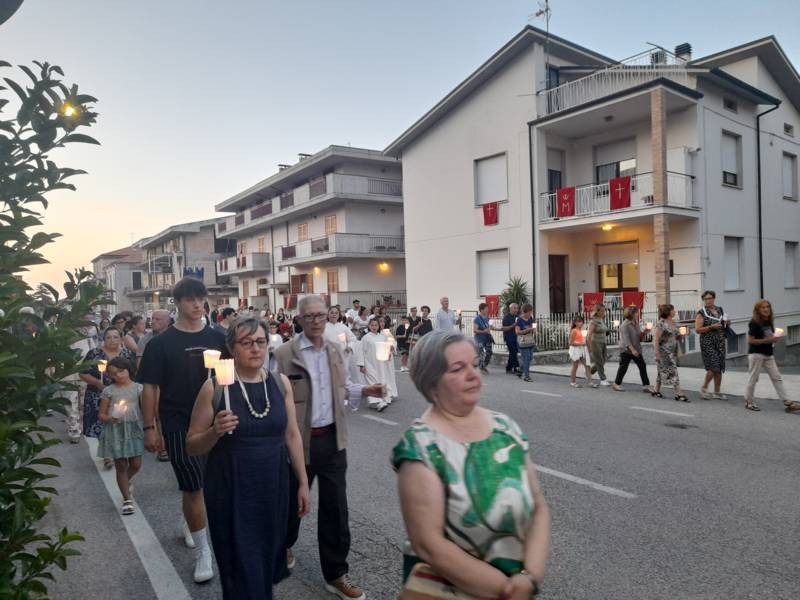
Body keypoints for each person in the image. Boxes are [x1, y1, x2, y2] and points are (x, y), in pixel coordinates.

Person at [392, 330, 550, 599]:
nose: (473, 375)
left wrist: (530, 577)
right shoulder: (421, 447)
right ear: (432, 383)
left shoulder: (505, 428)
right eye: (458, 369)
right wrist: (506, 589)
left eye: (475, 365)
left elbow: (538, 507)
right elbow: (429, 544)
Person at [187, 317, 311, 599]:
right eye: (246, 343)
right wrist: (215, 432)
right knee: (241, 565)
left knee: (265, 558)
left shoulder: (280, 383)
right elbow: (192, 445)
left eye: (260, 342)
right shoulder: (215, 387)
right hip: (231, 489)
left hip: (273, 486)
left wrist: (302, 483)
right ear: (232, 348)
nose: (255, 348)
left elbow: (292, 434)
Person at [274, 295, 385, 600]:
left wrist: (366, 390)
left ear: (327, 317)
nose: (315, 321)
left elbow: (342, 388)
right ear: (299, 319)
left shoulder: (335, 350)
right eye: (309, 316)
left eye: (320, 315)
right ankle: (284, 544)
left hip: (333, 440)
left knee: (336, 509)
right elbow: (273, 396)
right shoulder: (283, 355)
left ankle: (335, 574)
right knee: (292, 503)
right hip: (298, 442)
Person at [138, 277, 227, 583]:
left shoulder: (218, 337)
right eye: (190, 299)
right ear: (177, 303)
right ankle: (204, 552)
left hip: (215, 420)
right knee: (192, 485)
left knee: (211, 483)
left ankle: (191, 520)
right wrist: (150, 427)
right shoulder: (160, 343)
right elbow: (150, 387)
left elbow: (229, 377)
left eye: (201, 299)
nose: (197, 304)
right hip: (177, 422)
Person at [80, 327, 136, 468]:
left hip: (121, 396)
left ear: (121, 339)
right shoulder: (95, 354)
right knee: (103, 424)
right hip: (97, 395)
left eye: (115, 337)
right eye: (109, 337)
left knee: (120, 423)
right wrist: (97, 383)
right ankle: (108, 454)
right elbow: (83, 373)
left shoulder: (127, 354)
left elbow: (134, 373)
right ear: (103, 339)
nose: (112, 340)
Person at [97, 357, 144, 515]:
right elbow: (101, 414)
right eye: (114, 374)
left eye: (121, 371)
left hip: (134, 428)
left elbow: (145, 409)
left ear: (128, 369)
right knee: (121, 465)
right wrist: (111, 418)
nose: (118, 375)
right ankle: (126, 499)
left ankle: (125, 481)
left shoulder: (138, 388)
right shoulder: (108, 391)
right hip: (116, 430)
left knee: (136, 464)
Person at [744, 300, 800, 413]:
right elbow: (750, 341)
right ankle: (749, 402)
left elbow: (769, 337)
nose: (766, 309)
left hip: (768, 354)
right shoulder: (754, 323)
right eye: (763, 307)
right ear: (758, 310)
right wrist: (768, 340)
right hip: (756, 354)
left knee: (777, 377)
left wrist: (774, 338)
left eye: (767, 307)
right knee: (753, 379)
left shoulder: (768, 321)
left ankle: (787, 402)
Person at [136, 309, 172, 462]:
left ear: (168, 321)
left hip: (173, 381)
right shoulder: (145, 339)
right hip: (154, 382)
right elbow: (140, 363)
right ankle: (161, 446)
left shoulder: (175, 336)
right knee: (156, 412)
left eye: (158, 319)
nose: (153, 321)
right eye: (152, 318)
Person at [694, 291, 728, 399]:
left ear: (714, 298)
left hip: (720, 341)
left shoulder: (719, 309)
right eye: (705, 299)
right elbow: (698, 329)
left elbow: (723, 324)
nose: (708, 301)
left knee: (719, 366)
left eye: (709, 298)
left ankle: (717, 392)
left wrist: (727, 323)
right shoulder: (701, 313)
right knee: (714, 366)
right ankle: (704, 388)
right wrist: (711, 327)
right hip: (708, 342)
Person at [652, 304, 688, 402]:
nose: (674, 311)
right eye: (673, 310)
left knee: (661, 371)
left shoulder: (673, 322)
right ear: (668, 312)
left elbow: (675, 336)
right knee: (673, 371)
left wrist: (681, 335)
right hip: (664, 352)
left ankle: (656, 390)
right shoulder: (661, 323)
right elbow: (656, 339)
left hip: (672, 351)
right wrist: (657, 354)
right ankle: (679, 393)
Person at [613, 307, 653, 393]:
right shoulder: (625, 325)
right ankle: (616, 384)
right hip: (626, 349)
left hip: (636, 348)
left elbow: (638, 337)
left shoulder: (636, 323)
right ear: (631, 314)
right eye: (636, 313)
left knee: (642, 365)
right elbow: (626, 340)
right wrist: (633, 350)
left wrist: (645, 332)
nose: (638, 314)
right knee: (623, 367)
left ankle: (646, 386)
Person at [361, 318, 397, 411]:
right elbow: (361, 352)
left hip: (381, 364)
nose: (374, 327)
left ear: (378, 326)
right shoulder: (366, 338)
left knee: (381, 381)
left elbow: (387, 348)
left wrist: (389, 352)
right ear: (369, 326)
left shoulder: (382, 337)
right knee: (373, 381)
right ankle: (378, 402)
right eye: (372, 325)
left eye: (376, 325)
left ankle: (378, 401)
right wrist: (362, 365)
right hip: (369, 363)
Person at [587, 305, 611, 387]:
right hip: (595, 343)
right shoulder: (593, 321)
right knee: (599, 361)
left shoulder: (601, 319)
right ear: (597, 311)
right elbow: (589, 335)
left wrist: (608, 331)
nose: (604, 312)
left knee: (603, 360)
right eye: (602, 311)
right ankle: (603, 379)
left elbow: (604, 330)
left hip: (603, 342)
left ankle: (589, 372)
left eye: (604, 311)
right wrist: (589, 347)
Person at [568, 316, 595, 388]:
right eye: (579, 322)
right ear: (575, 323)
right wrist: (580, 344)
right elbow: (570, 342)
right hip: (575, 350)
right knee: (575, 366)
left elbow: (585, 340)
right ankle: (573, 382)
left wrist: (589, 348)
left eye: (581, 321)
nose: (581, 323)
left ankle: (590, 382)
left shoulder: (583, 330)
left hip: (583, 349)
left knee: (587, 365)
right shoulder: (574, 331)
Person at [472, 303, 498, 374]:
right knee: (481, 353)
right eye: (486, 309)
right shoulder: (477, 319)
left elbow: (490, 327)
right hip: (479, 339)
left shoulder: (487, 318)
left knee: (489, 352)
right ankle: (480, 367)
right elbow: (475, 330)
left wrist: (499, 329)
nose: (487, 310)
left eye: (487, 309)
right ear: (481, 310)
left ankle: (484, 366)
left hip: (487, 338)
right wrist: (484, 331)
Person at [515, 303, 536, 382]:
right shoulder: (519, 320)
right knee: (526, 359)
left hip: (530, 340)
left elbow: (534, 326)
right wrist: (527, 330)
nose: (530, 313)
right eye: (529, 312)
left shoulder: (531, 318)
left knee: (530, 358)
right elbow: (517, 332)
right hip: (523, 342)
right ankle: (526, 376)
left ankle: (520, 370)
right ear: (524, 312)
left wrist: (535, 329)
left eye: (531, 312)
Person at [502, 303, 521, 375]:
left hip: (516, 337)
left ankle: (509, 368)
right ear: (510, 309)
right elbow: (504, 329)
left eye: (517, 308)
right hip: (508, 337)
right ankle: (517, 368)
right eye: (514, 308)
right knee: (513, 352)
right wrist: (513, 325)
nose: (516, 310)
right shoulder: (506, 317)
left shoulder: (518, 317)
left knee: (513, 352)